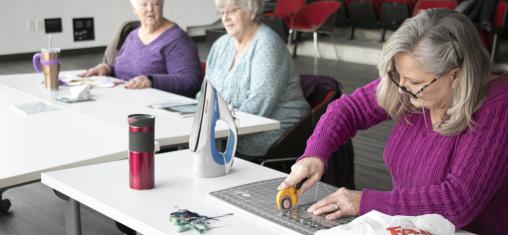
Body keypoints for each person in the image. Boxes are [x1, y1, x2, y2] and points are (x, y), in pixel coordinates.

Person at [278, 9, 508, 234]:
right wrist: (314, 155)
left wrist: (363, 201)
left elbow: (457, 201)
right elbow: (348, 109)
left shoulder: (498, 107)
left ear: (456, 75)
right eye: (400, 77)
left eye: (415, 82)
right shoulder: (412, 88)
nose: (404, 90)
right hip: (412, 226)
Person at [205, 0, 310, 157]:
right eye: (221, 12)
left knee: (201, 155)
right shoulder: (221, 45)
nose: (225, 18)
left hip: (270, 132)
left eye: (232, 11)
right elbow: (206, 94)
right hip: (228, 129)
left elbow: (259, 105)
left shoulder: (267, 45)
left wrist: (213, 127)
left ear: (252, 12)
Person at [81, 0, 202, 98]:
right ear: (135, 10)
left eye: (155, 3)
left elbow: (191, 81)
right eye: (144, 4)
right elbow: (127, 69)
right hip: (126, 100)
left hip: (156, 109)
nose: (150, 9)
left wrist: (151, 81)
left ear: (162, 6)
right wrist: (107, 68)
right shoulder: (133, 35)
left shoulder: (177, 39)